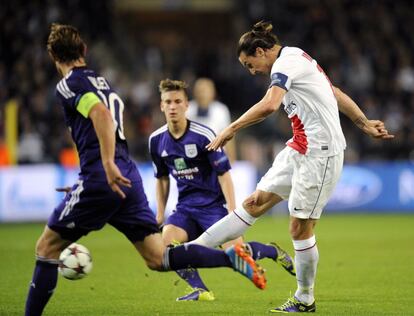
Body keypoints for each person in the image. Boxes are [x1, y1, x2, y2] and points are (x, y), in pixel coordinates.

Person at [24, 23, 265, 316]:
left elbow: (99, 115)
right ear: (84, 51)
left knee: (46, 249)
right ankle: (229, 258)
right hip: (128, 179)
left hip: (105, 176)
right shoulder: (101, 81)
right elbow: (103, 119)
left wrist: (104, 167)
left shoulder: (68, 84)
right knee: (158, 257)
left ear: (52, 55)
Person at [188, 21, 394, 313]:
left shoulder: (287, 63)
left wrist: (231, 128)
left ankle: (305, 298)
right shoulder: (296, 58)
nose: (252, 70)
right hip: (299, 146)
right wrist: (362, 123)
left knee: (299, 228)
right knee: (254, 202)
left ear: (261, 51)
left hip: (320, 154)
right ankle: (189, 252)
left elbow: (271, 104)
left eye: (250, 63)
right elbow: (332, 91)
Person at [149, 79, 295, 301]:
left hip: (213, 207)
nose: (172, 106)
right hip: (185, 209)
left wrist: (232, 211)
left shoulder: (203, 135)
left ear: (186, 105)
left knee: (240, 253)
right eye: (167, 102)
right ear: (161, 106)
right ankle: (200, 289)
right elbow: (161, 179)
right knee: (167, 247)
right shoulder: (156, 140)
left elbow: (224, 175)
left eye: (177, 101)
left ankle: (272, 251)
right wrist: (160, 214)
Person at [187, 78, 237, 162]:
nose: (202, 94)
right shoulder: (187, 109)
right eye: (199, 91)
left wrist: (232, 160)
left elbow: (229, 136)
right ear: (194, 92)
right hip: (193, 158)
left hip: (217, 158)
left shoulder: (221, 110)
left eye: (205, 91)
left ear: (213, 93)